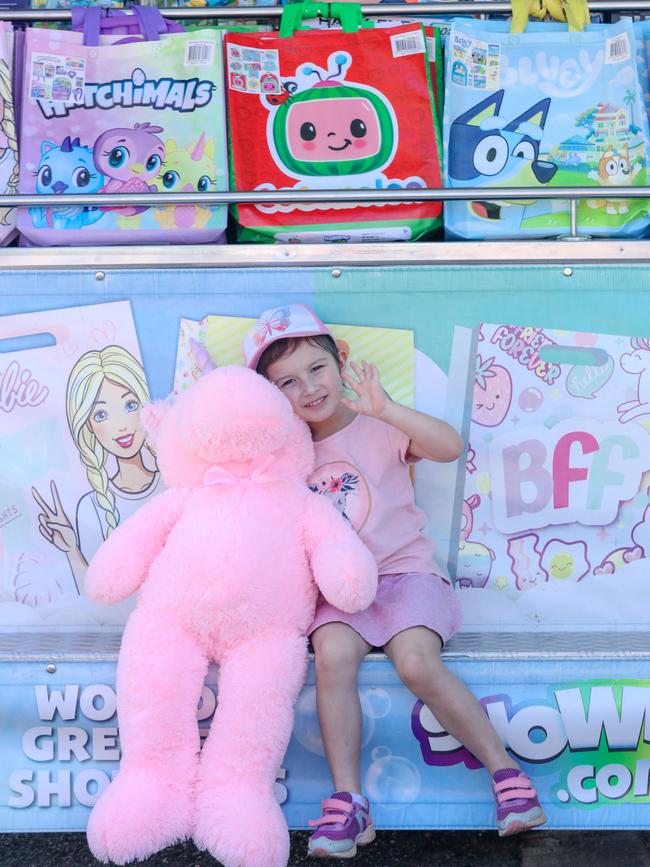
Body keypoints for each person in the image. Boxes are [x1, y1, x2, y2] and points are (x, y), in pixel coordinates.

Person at [242, 304, 546, 859]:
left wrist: (390, 409)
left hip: (407, 578)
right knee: (331, 655)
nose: (308, 388)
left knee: (415, 662)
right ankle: (349, 800)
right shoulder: (286, 454)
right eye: (286, 382)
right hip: (341, 594)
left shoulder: (379, 424)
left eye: (317, 369)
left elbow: (450, 447)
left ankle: (506, 774)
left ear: (342, 363)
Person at [32, 345, 162, 595]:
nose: (121, 426)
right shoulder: (92, 507)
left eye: (130, 405)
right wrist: (72, 550)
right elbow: (96, 598)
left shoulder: (176, 483)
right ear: (88, 426)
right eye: (101, 414)